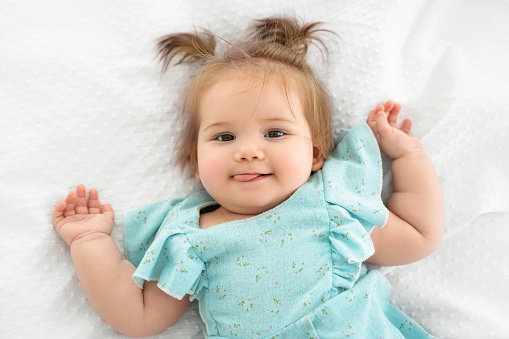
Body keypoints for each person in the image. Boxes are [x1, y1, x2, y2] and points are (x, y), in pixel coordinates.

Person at [51, 17, 443, 338]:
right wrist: (89, 241)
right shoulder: (191, 238)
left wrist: (408, 155)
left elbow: (419, 237)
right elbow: (137, 319)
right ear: (196, 160)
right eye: (224, 137)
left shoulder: (330, 207)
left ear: (315, 154)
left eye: (275, 133)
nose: (248, 151)